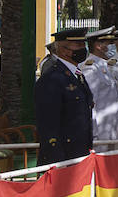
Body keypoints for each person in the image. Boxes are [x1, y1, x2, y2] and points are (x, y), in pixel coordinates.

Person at [34, 28, 94, 165]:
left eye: (83, 45)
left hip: (79, 151)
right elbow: (48, 123)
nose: (83, 49)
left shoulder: (77, 75)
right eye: (78, 45)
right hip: (63, 155)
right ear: (63, 50)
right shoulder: (52, 78)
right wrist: (56, 158)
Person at [82, 27, 118, 142]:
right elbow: (91, 102)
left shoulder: (107, 66)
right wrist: (94, 132)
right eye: (110, 43)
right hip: (101, 132)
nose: (114, 45)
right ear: (99, 46)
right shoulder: (91, 68)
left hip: (113, 128)